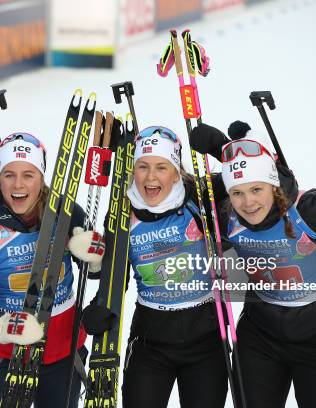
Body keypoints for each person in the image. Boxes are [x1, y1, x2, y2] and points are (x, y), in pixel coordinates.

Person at [189, 122, 316, 408]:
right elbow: (179, 201)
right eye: (237, 193)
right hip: (259, 338)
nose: (248, 203)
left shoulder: (310, 208)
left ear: (273, 186)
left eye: (257, 189)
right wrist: (221, 150)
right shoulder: (225, 216)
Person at [72, 126, 228, 408]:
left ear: (176, 172)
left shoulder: (200, 195)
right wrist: (99, 305)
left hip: (206, 339)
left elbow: (262, 188)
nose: (151, 177)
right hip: (150, 340)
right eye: (142, 167)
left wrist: (223, 149)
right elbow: (114, 272)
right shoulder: (122, 211)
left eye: (161, 167)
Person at [0, 133, 88, 408]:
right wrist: (1, 326)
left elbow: (98, 274)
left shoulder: (65, 211)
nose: (18, 185)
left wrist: (94, 258)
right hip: (4, 355)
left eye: (28, 174)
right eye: (9, 175)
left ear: (42, 177)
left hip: (63, 351)